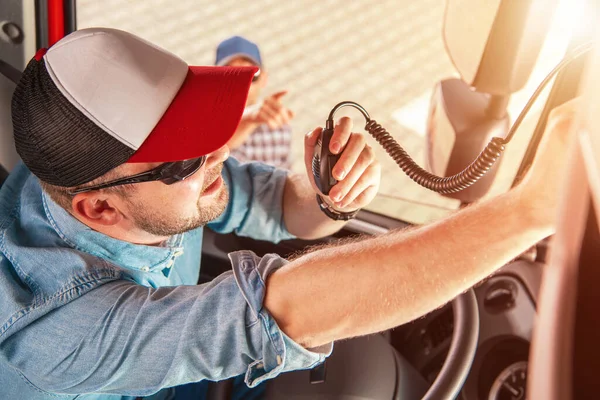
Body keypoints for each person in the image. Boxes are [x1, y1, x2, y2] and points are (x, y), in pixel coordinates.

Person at [0, 27, 577, 400]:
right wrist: (530, 208)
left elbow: (280, 208)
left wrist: (328, 196)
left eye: (207, 126)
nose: (221, 154)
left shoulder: (98, 177)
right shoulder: (57, 336)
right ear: (98, 208)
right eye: (186, 157)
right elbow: (283, 310)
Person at [215, 35, 294, 169]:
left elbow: (285, 177)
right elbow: (208, 153)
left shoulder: (279, 127)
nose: (241, 84)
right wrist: (249, 119)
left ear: (264, 78)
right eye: (230, 74)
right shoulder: (206, 121)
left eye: (251, 74)